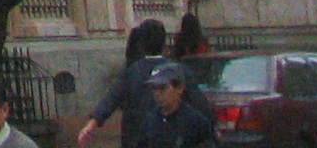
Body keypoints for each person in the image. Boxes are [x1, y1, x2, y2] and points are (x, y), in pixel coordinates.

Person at [79, 20, 170, 148]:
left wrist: (92, 123)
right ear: (164, 44)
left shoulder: (131, 71)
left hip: (135, 136)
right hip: (167, 134)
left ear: (141, 45)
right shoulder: (177, 70)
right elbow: (197, 101)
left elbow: (112, 98)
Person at [136, 63, 217, 148]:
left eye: (162, 88)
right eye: (154, 88)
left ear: (179, 88)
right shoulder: (151, 120)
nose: (157, 93)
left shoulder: (196, 122)